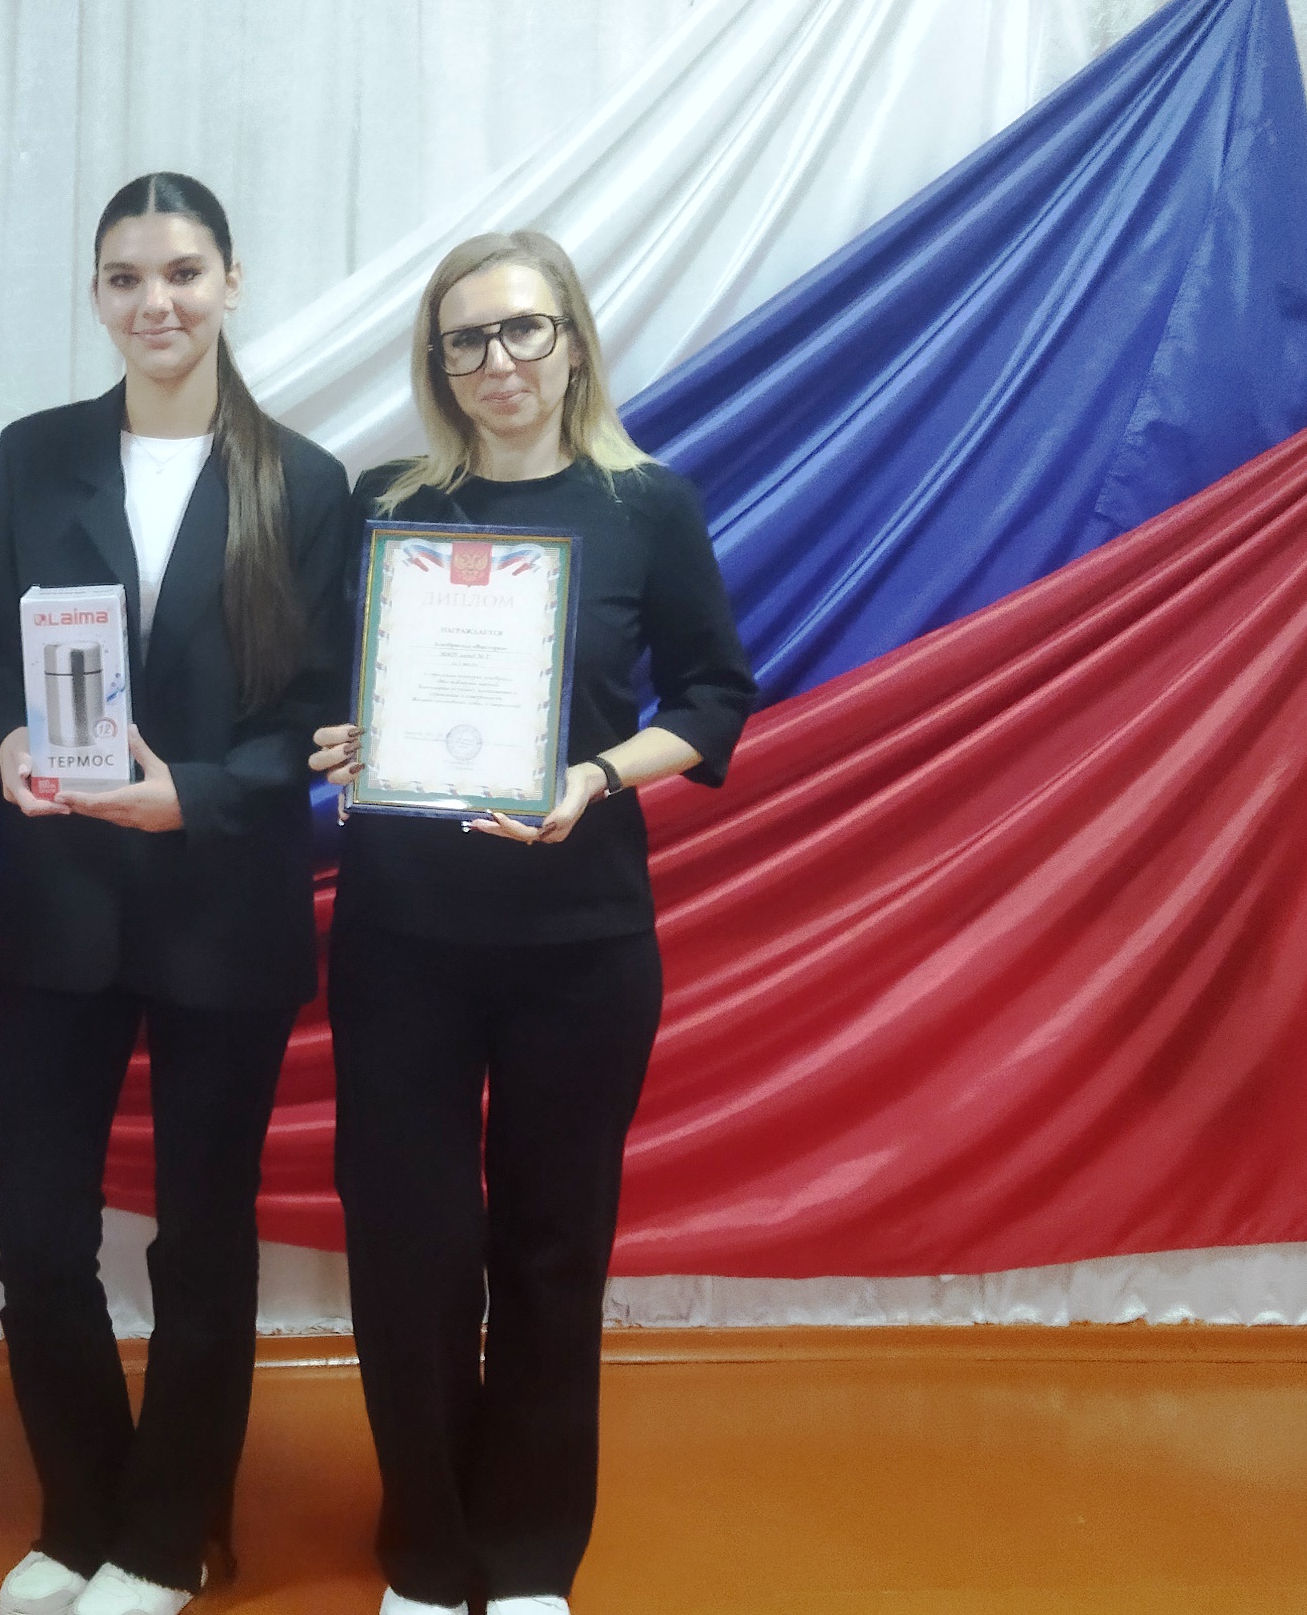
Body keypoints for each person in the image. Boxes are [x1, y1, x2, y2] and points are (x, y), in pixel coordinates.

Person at [310, 231, 756, 1615]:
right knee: (410, 1251)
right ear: (436, 362)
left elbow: (713, 696)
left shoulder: (646, 505)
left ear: (570, 339)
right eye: (466, 339)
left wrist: (595, 775)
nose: (497, 361)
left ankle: (526, 1557)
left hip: (580, 945)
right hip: (401, 940)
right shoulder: (385, 505)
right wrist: (340, 739)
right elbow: (328, 691)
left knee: (555, 1253)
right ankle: (427, 1552)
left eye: (521, 329)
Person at [0, 173, 353, 1615]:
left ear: (231, 282)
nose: (156, 302)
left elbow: (320, 716)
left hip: (220, 905)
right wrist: (7, 740)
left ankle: (167, 1535)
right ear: (96, 296)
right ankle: (80, 1514)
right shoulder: (35, 454)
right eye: (126, 277)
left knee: (200, 1241)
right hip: (59, 900)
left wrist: (193, 792)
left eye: (183, 272)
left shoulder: (303, 481)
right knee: (37, 1238)